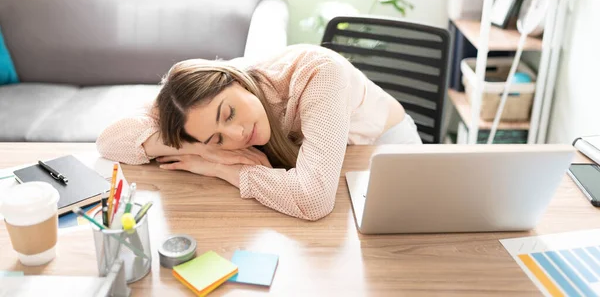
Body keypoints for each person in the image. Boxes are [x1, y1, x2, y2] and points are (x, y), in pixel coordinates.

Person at [96, 44, 421, 221]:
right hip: (322, 163)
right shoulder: (190, 104)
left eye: (230, 113)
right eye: (218, 139)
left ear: (234, 78)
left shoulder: (318, 73)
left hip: (383, 147)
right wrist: (197, 148)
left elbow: (313, 201)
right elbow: (110, 141)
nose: (237, 135)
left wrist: (223, 167)